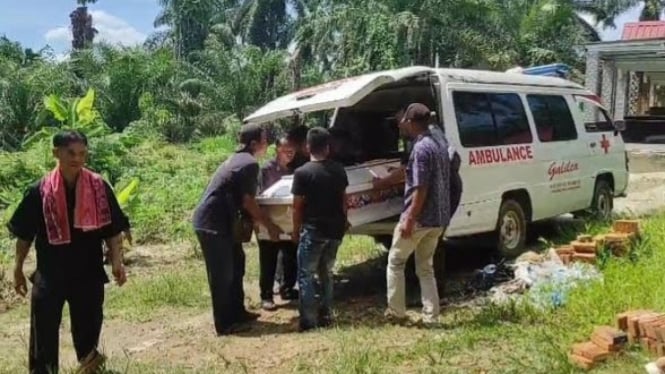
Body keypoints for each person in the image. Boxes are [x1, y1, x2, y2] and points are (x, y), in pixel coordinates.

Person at [8, 130, 128, 374]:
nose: (77, 159)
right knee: (44, 327)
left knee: (89, 322)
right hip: (51, 270)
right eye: (70, 153)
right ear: (56, 153)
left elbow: (113, 229)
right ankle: (44, 370)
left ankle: (89, 362)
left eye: (82, 153)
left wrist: (117, 261)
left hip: (88, 269)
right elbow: (24, 236)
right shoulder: (38, 191)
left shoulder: (98, 186)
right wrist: (18, 269)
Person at [192, 123, 282, 336]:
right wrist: (270, 226)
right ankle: (224, 324)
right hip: (213, 225)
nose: (266, 144)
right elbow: (248, 201)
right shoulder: (249, 163)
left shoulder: (238, 160)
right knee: (222, 275)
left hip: (223, 224)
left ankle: (237, 312)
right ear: (253, 143)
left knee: (236, 267)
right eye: (264, 140)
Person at [377, 103, 451, 324]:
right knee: (425, 267)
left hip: (420, 218)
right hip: (438, 217)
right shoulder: (438, 141)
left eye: (404, 121)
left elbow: (421, 187)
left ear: (410, 122)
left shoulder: (420, 149)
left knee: (396, 261)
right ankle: (431, 315)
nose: (402, 124)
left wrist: (410, 218)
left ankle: (396, 312)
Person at [291, 127, 349, 331]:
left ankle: (308, 320)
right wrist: (345, 221)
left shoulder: (302, 173)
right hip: (335, 230)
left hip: (314, 230)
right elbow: (344, 200)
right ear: (328, 147)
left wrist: (295, 230)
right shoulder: (339, 169)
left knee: (305, 275)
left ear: (308, 147)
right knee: (327, 272)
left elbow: (297, 206)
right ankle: (327, 314)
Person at [257, 137, 299, 311]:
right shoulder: (266, 170)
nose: (289, 154)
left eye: (292, 151)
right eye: (285, 150)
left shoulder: (293, 170)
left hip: (287, 220)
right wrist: (265, 224)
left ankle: (287, 288)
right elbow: (259, 197)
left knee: (290, 254)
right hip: (268, 221)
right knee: (268, 258)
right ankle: (266, 295)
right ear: (277, 149)